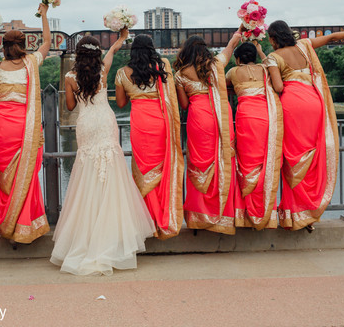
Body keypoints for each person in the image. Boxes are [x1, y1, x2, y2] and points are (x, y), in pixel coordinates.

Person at [51, 29, 155, 275]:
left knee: (87, 173)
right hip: (105, 122)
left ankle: (86, 239)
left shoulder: (69, 76)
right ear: (97, 55)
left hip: (86, 123)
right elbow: (114, 50)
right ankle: (112, 239)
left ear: (77, 55)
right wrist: (121, 35)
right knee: (110, 174)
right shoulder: (104, 71)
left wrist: (76, 93)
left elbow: (70, 106)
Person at [264, 21, 344, 231]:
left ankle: (295, 215)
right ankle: (310, 213)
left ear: (274, 38)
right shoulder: (304, 45)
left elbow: (278, 86)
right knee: (311, 157)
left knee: (293, 160)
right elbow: (330, 38)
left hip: (293, 106)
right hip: (314, 102)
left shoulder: (273, 58)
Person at [0, 3, 51, 244]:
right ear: (24, 45)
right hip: (26, 127)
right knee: (27, 176)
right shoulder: (32, 64)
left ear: (3, 47)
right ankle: (26, 225)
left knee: (6, 177)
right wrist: (44, 14)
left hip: (3, 129)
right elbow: (46, 42)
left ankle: (8, 224)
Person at [115, 34, 183, 239]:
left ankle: (148, 221)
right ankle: (164, 217)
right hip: (160, 121)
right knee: (162, 168)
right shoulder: (162, 66)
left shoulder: (122, 73)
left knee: (143, 170)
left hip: (139, 121)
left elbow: (120, 104)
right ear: (152, 48)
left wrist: (134, 93)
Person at [174, 31, 242, 235]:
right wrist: (238, 34)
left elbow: (184, 105)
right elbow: (229, 49)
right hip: (220, 116)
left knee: (199, 163)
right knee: (223, 161)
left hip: (199, 119)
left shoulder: (179, 75)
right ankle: (224, 215)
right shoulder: (216, 66)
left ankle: (200, 217)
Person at [226, 42, 282, 230]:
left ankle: (246, 214)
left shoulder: (233, 72)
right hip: (266, 119)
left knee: (246, 163)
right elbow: (273, 68)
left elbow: (220, 82)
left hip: (246, 119)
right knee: (265, 163)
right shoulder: (266, 69)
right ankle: (266, 213)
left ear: (238, 59)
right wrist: (261, 51)